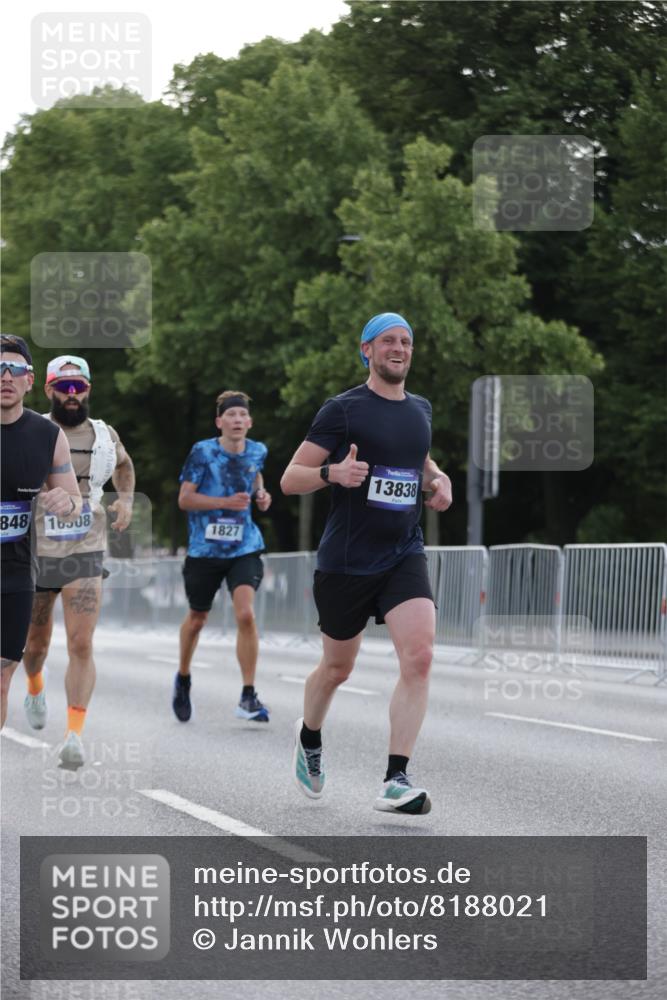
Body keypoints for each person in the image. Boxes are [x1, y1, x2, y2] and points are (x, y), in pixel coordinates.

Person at [281, 312, 453, 814]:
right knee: (338, 667)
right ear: (367, 350)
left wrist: (438, 481)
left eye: (407, 341)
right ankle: (310, 738)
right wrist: (334, 472)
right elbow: (292, 477)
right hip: (348, 561)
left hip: (403, 552)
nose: (399, 348)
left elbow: (421, 463)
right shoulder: (343, 410)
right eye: (388, 341)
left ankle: (396, 778)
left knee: (419, 658)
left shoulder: (419, 409)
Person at [21, 355, 135, 767]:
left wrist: (124, 500)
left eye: (79, 387)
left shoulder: (104, 435)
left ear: (88, 389)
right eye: (64, 388)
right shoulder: (32, 430)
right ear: (48, 389)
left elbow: (124, 465)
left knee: (81, 642)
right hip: (36, 550)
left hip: (85, 547)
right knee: (34, 646)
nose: (72, 395)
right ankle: (34, 684)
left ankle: (74, 734)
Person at [174, 390, 272, 723]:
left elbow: (255, 474)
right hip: (205, 549)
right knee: (198, 619)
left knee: (245, 614)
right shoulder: (202, 452)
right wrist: (224, 504)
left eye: (243, 416)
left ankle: (248, 694)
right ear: (220, 422)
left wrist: (261, 494)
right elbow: (185, 499)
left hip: (244, 546)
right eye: (231, 415)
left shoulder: (258, 450)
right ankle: (184, 677)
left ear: (250, 422)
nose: (237, 421)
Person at [1, 336, 81, 730]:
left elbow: (73, 500)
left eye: (14, 369)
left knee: (1, 679)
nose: (5, 377)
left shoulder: (47, 436)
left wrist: (63, 503)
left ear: (29, 380)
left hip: (15, 572)